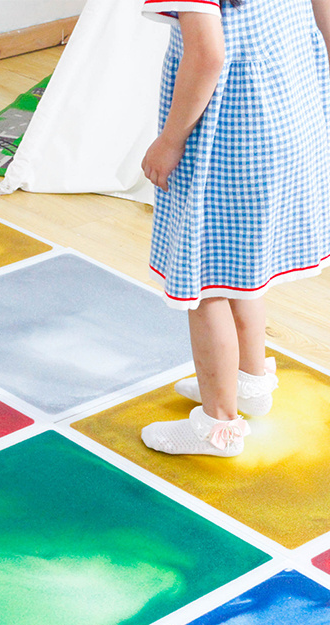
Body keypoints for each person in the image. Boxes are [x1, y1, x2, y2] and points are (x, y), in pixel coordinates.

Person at [139, 0, 330, 456]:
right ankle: (250, 383)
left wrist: (170, 140)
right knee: (244, 262)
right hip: (292, 101)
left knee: (206, 282)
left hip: (228, 125)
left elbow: (207, 56)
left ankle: (217, 424)